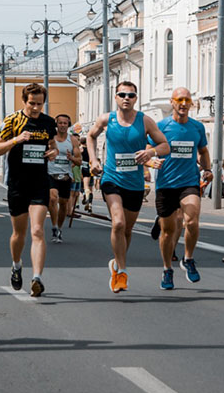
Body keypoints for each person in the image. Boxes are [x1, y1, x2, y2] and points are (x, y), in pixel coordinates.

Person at [87, 81, 169, 293]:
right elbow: (90, 136)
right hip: (111, 179)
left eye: (131, 95)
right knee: (118, 223)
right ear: (116, 97)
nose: (126, 98)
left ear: (136, 98)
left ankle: (116, 262)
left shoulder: (145, 121)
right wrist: (94, 160)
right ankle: (122, 271)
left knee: (128, 230)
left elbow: (165, 146)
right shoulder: (107, 119)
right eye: (122, 94)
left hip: (134, 183)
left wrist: (150, 153)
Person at [0, 83, 58, 297]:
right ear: (24, 102)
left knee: (37, 230)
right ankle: (16, 264)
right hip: (18, 183)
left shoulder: (48, 122)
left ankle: (37, 278)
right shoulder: (13, 120)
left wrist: (53, 152)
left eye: (40, 104)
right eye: (32, 104)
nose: (36, 108)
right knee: (19, 233)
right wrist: (15, 140)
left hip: (40, 182)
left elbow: (52, 145)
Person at [147, 88, 209, 290]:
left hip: (189, 182)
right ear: (172, 102)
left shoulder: (197, 127)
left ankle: (188, 258)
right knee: (168, 231)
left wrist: (207, 170)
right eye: (179, 100)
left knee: (191, 220)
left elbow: (203, 151)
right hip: (166, 184)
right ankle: (167, 269)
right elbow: (148, 150)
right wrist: (151, 162)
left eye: (187, 100)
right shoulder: (162, 126)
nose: (183, 103)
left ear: (191, 103)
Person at [47, 114, 81, 243]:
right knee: (52, 198)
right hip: (51, 174)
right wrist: (48, 154)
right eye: (60, 123)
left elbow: (79, 161)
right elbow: (43, 153)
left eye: (65, 123)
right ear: (56, 124)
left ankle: (59, 228)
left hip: (66, 176)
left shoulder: (72, 140)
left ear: (68, 125)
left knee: (63, 204)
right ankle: (54, 226)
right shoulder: (51, 139)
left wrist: (71, 158)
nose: (62, 125)